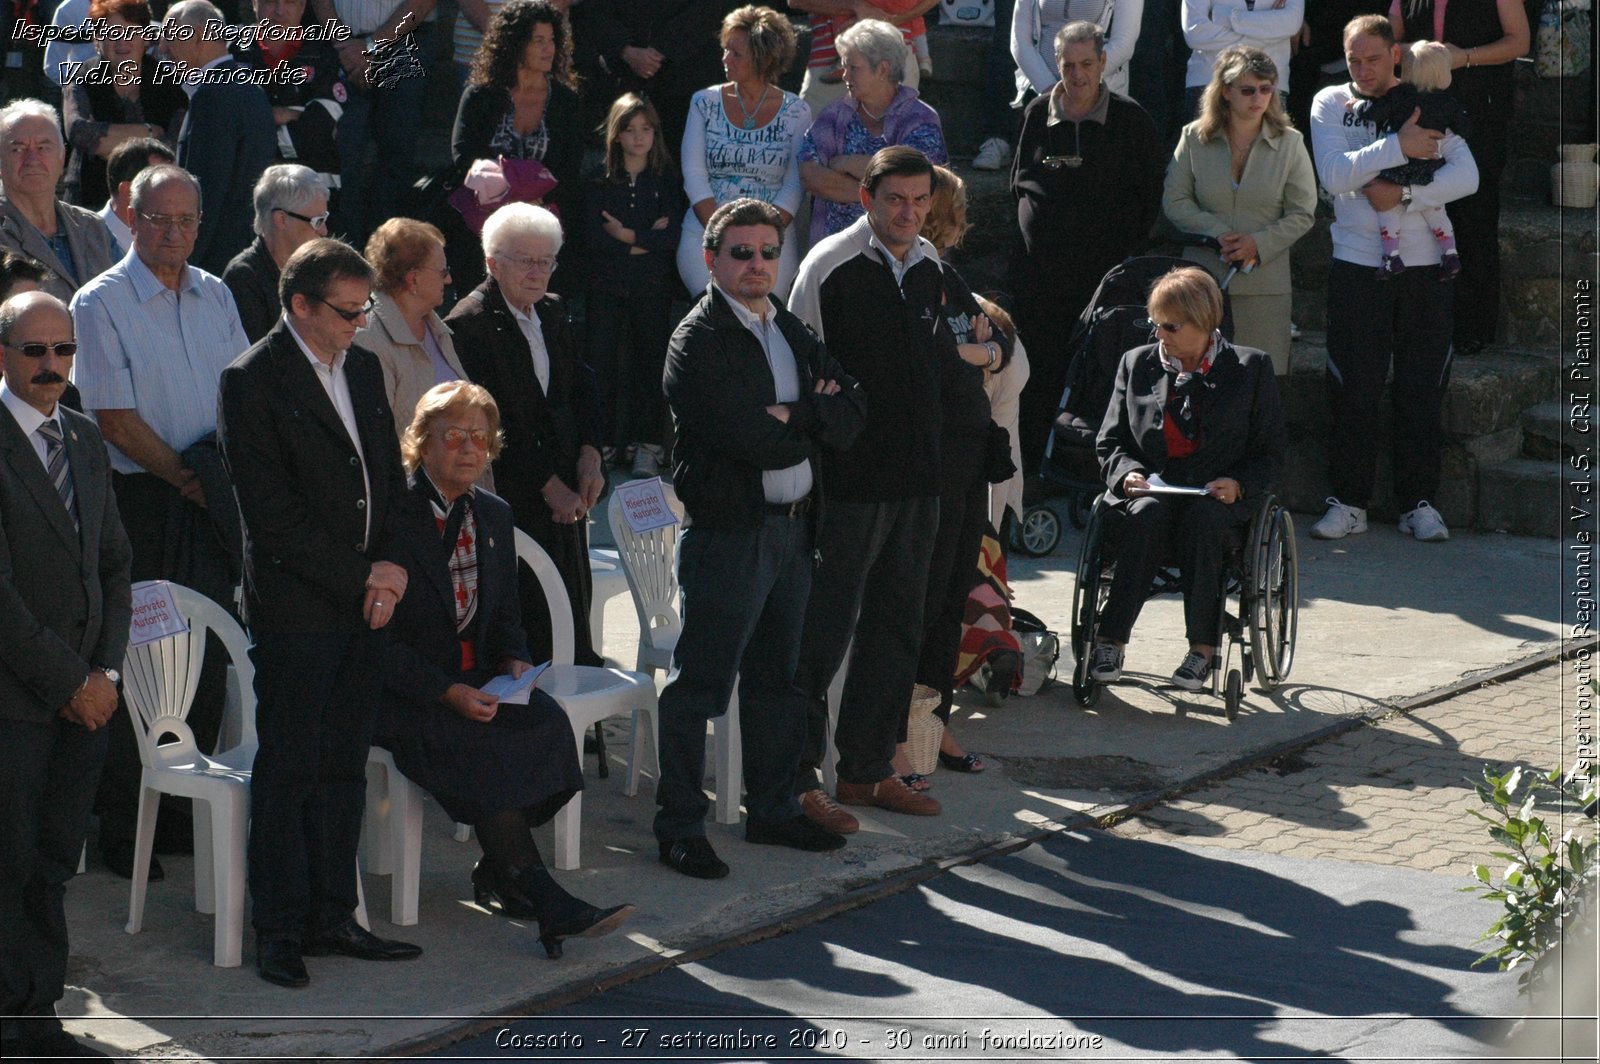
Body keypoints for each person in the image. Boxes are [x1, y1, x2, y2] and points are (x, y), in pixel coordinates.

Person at [218, 237, 421, 988]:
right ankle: (279, 926)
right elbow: (272, 518)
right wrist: (366, 576)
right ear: (300, 305)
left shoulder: (362, 367)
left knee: (343, 767)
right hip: (300, 612)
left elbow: (391, 480)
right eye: (348, 311)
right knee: (290, 768)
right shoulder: (252, 380)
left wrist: (393, 569)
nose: (362, 322)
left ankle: (335, 914)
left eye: (367, 307)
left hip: (369, 605)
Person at [375, 380, 633, 956]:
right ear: (421, 442)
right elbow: (378, 644)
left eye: (480, 438)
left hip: (481, 682)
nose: (469, 449)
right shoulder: (395, 514)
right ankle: (541, 894)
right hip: (412, 691)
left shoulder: (493, 513)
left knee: (546, 725)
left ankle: (500, 867)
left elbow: (507, 615)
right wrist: (446, 691)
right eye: (453, 437)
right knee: (480, 742)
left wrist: (515, 658)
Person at [654, 197, 867, 879]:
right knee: (701, 687)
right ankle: (680, 824)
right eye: (740, 253)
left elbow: (854, 409)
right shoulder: (698, 338)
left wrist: (798, 412)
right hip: (731, 536)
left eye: (767, 253)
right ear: (711, 258)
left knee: (777, 681)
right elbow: (750, 440)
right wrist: (813, 420)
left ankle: (771, 808)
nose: (756, 265)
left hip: (793, 532)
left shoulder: (789, 327)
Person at [71, 163, 251, 879]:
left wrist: (216, 481)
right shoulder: (99, 301)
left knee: (202, 659)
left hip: (209, 497)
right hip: (144, 504)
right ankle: (123, 827)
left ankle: (179, 815)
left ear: (200, 224)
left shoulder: (217, 294)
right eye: (157, 219)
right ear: (130, 214)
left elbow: (238, 394)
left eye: (185, 221)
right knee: (138, 659)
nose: (172, 233)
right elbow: (112, 419)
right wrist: (187, 478)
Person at [786, 145, 956, 819]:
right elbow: (799, 368)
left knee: (896, 629)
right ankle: (798, 781)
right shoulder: (826, 267)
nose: (908, 213)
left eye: (920, 201)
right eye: (895, 200)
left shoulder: (930, 266)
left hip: (918, 480)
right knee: (822, 637)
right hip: (848, 485)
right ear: (866, 199)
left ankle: (865, 770)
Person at [0, 290, 132, 1061]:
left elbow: (114, 562)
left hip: (88, 697)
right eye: (34, 351)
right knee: (9, 862)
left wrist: (106, 671)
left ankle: (36, 1011)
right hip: (18, 701)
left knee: (51, 862)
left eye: (64, 351)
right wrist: (70, 681)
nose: (52, 367)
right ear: (3, 354)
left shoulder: (81, 436)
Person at [1307, 14, 1477, 544]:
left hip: (1427, 269)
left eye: (1374, 58)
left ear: (1395, 55)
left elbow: (1465, 175)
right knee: (1353, 387)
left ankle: (1419, 503)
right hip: (1359, 265)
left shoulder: (1424, 97)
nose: (1364, 69)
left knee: (1421, 388)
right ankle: (1349, 501)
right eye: (1354, 59)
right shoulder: (1331, 103)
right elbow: (1334, 175)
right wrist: (1398, 146)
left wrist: (1404, 195)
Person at [1088, 267, 1284, 690]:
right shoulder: (1136, 364)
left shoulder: (1251, 368)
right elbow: (1109, 441)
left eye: (1172, 326)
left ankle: (1202, 651)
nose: (1161, 335)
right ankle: (1110, 640)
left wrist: (1238, 483)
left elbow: (1270, 453)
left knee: (1205, 522)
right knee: (1145, 515)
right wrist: (1128, 474)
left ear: (1204, 321)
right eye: (1156, 324)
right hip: (1155, 488)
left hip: (1217, 494)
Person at [446, 203, 604, 667]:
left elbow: (583, 386)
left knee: (571, 609)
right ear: (492, 263)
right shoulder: (470, 323)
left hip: (568, 484)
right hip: (514, 492)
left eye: (546, 261)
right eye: (525, 261)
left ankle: (577, 719)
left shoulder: (552, 312)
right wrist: (548, 485)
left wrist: (592, 455)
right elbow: (492, 422)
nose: (538, 272)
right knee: (530, 613)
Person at [1009, 20, 1162, 473]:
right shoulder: (1038, 113)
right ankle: (1031, 469)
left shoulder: (1131, 119)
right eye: (1068, 64)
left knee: (1095, 378)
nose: (1076, 75)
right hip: (1039, 282)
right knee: (1034, 375)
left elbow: (1148, 198)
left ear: (1103, 63)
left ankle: (1085, 471)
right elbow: (1017, 184)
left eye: (1086, 64)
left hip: (1101, 284)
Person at [911, 165, 1012, 782]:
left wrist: (979, 350)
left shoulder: (948, 276)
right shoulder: (911, 278)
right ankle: (909, 732)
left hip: (970, 459)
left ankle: (933, 724)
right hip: (929, 464)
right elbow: (927, 356)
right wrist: (972, 352)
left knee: (950, 601)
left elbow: (998, 341)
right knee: (919, 605)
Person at [1162, 45, 1316, 376]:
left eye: (1266, 89)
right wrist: (1218, 233)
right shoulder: (1193, 137)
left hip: (1266, 287)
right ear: (1226, 91)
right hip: (1201, 284)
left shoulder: (1290, 143)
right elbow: (1174, 201)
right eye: (1247, 90)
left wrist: (1258, 244)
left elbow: (1303, 212)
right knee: (1198, 384)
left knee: (1262, 388)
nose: (1257, 98)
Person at [1390, 0, 1530, 355]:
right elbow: (1387, 40)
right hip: (1421, 114)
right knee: (1419, 216)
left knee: (1475, 216)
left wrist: (1464, 56)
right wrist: (1417, 53)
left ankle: (1472, 326)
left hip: (1480, 113)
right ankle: (1422, 322)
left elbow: (1519, 42)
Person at [447, 0, 584, 293]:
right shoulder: (480, 95)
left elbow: (569, 170)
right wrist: (503, 198)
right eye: (539, 41)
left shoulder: (566, 102)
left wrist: (531, 205)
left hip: (544, 218)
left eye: (552, 40)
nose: (549, 48)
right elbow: (463, 155)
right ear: (515, 44)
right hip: (484, 217)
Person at [677, 4, 811, 297]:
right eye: (726, 49)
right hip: (707, 235)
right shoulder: (704, 103)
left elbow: (795, 181)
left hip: (772, 240)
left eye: (736, 53)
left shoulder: (797, 111)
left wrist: (762, 235)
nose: (725, 58)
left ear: (763, 58)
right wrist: (723, 232)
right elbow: (694, 174)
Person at [583, 92, 682, 478]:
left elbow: (670, 238)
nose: (639, 138)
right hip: (606, 283)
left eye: (646, 130)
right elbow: (593, 239)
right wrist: (643, 238)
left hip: (651, 286)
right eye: (630, 130)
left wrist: (624, 234)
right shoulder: (599, 179)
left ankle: (648, 444)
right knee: (600, 361)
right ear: (616, 135)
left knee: (650, 362)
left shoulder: (666, 182)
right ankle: (601, 443)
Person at [799, 17, 948, 248]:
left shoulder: (920, 118)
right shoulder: (834, 115)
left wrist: (847, 163)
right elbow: (810, 175)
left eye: (853, 68)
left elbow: (913, 178)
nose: (845, 76)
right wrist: (883, 197)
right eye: (844, 66)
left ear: (883, 69)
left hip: (901, 254)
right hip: (833, 253)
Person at [161, 1, 277, 275]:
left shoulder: (212, 96)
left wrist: (185, 266)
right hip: (246, 257)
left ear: (199, 37)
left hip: (213, 264)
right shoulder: (249, 87)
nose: (163, 48)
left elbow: (205, 193)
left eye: (171, 36)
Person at [315, 0, 437, 244]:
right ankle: (341, 252)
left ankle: (385, 256)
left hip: (405, 43)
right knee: (339, 155)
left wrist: (371, 46)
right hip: (339, 46)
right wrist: (345, 47)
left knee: (396, 156)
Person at [1349, 40, 1465, 280]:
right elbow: (1465, 127)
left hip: (1398, 164)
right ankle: (1450, 252)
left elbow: (1374, 113)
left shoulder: (1400, 94)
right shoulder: (1448, 102)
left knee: (1388, 208)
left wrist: (1357, 106)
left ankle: (1391, 257)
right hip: (1429, 164)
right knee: (1436, 209)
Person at [59, 0, 186, 210]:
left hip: (151, 202)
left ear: (146, 38)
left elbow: (170, 149)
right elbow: (78, 132)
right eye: (112, 33)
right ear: (97, 40)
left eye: (131, 32)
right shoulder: (81, 77)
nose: (122, 41)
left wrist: (104, 139)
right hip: (87, 201)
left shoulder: (168, 83)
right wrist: (150, 132)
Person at [357, 217, 472, 439]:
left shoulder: (434, 326)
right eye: (443, 271)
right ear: (413, 279)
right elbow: (378, 437)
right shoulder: (367, 338)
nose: (449, 279)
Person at [0, 99, 118, 303]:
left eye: (43, 147)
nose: (32, 160)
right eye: (17, 149)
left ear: (62, 158)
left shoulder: (93, 228)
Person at [233, 0, 349, 207]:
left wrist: (260, 126)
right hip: (247, 191)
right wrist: (290, 115)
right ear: (253, 4)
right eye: (270, 2)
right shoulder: (234, 50)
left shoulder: (324, 52)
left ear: (303, 7)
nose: (279, 11)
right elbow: (227, 122)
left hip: (315, 190)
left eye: (290, 2)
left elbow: (321, 125)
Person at [581, 0, 731, 154]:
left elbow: (706, 9)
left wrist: (659, 51)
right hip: (627, 79)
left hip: (690, 78)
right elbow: (596, 11)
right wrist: (625, 50)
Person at [224, 164, 333, 344]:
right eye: (317, 221)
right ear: (281, 219)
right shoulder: (243, 278)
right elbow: (256, 357)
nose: (324, 231)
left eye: (324, 219)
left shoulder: (315, 270)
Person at [788, 1, 926, 113]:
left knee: (896, 139)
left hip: (893, 54)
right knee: (813, 137)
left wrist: (896, 19)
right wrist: (855, 6)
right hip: (830, 64)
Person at [1180, 0, 1305, 118]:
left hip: (1269, 86)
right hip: (1209, 82)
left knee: (1269, 141)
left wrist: (1228, 16)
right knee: (1205, 140)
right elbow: (1195, 33)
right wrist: (1267, 33)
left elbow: (1291, 23)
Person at [1013, 0, 1144, 99]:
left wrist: (1080, 85)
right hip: (1041, 94)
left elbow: (1124, 43)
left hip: (1098, 97)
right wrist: (1048, 88)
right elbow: (1019, 39)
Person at [96, 135, 175, 258]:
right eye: (161, 184)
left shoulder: (175, 239)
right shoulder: (88, 241)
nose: (175, 194)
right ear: (128, 191)